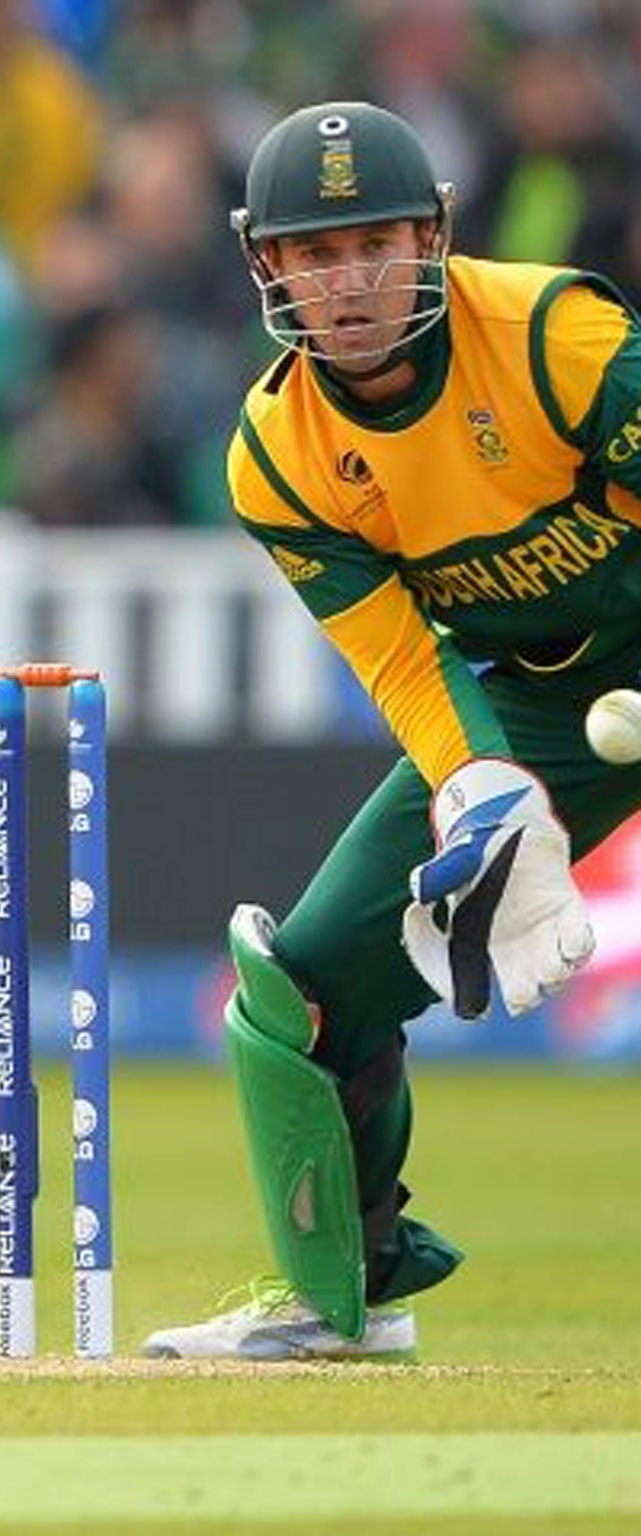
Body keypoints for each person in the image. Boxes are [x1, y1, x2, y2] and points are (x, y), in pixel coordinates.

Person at [143, 100, 634, 1360]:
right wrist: (476, 781)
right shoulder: (277, 456)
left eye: (374, 243)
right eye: (313, 253)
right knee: (301, 989)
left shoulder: (554, 340)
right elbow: (405, 658)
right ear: (266, 266)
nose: (348, 281)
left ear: (431, 237)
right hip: (534, 698)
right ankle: (338, 1297)